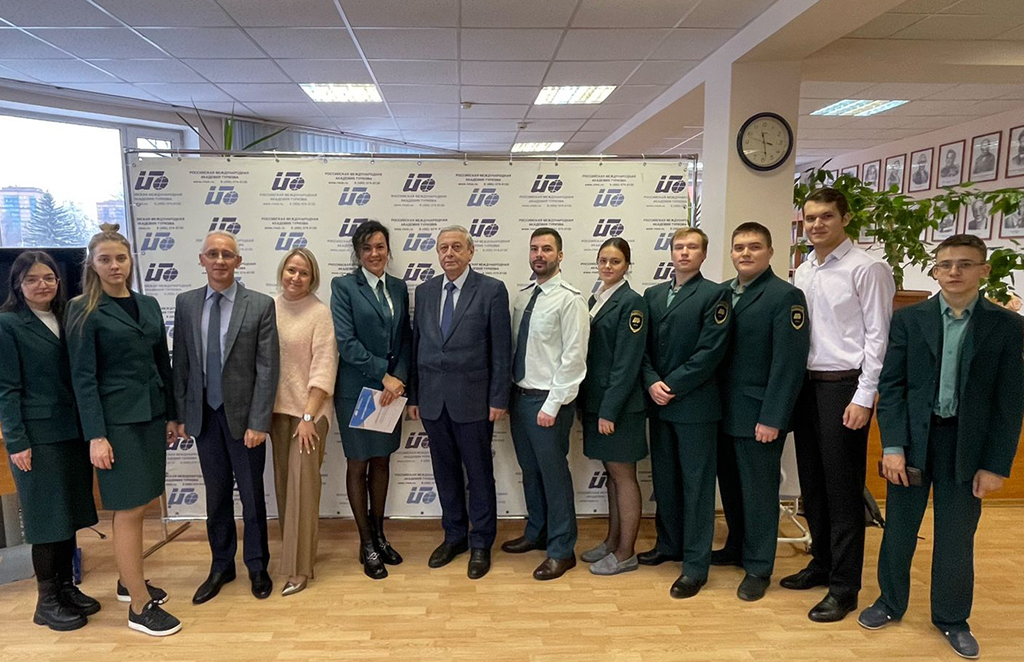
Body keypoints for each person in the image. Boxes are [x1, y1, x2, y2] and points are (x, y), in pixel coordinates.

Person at [858, 234, 1024, 659]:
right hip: (914, 440)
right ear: (934, 270)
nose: (954, 272)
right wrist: (892, 446)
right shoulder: (909, 320)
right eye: (945, 264)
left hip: (966, 445)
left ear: (983, 270)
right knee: (899, 530)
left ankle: (952, 617)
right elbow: (892, 387)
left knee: (956, 537)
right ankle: (889, 602)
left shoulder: (1007, 326)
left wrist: (995, 464)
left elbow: (1009, 402)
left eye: (965, 264)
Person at [785, 188, 896, 623]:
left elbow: (878, 337)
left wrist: (864, 396)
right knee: (812, 484)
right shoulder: (805, 268)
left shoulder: (867, 268)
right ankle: (822, 564)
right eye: (810, 218)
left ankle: (845, 587)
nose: (816, 225)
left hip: (844, 387)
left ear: (845, 218)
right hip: (807, 387)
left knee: (843, 490)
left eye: (826, 216)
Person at [66, 224, 181, 636]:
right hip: (115, 425)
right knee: (128, 509)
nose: (114, 265)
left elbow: (161, 364)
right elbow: (83, 378)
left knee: (142, 501)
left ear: (131, 261)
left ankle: (127, 580)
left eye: (121, 258)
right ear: (92, 264)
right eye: (105, 259)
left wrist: (171, 414)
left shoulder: (147, 304)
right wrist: (96, 435)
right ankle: (138, 606)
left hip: (150, 417)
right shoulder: (82, 308)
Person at [172, 230, 279, 604]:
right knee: (216, 496)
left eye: (227, 254)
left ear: (238, 261)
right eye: (213, 254)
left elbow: (268, 368)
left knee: (252, 497)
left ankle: (257, 565)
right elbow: (182, 362)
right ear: (201, 259)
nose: (220, 260)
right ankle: (221, 565)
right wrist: (180, 414)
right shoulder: (186, 303)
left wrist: (259, 421)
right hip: (204, 417)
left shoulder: (260, 305)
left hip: (244, 420)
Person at [0, 251, 99, 631]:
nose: (42, 285)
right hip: (37, 438)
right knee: (46, 521)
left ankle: (66, 587)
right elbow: (7, 389)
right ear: (18, 284)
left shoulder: (65, 317)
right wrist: (16, 441)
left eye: (49, 278)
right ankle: (47, 600)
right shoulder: (8, 325)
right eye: (32, 279)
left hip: (71, 432)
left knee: (68, 515)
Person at [712, 223, 810, 601]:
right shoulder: (722, 292)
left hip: (758, 415)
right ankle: (736, 546)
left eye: (754, 247)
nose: (746, 253)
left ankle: (758, 566)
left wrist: (773, 418)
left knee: (758, 493)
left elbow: (789, 364)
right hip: (721, 411)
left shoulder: (785, 296)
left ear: (770, 252)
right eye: (739, 247)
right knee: (731, 488)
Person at [408, 225, 512, 580]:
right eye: (443, 248)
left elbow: (501, 350)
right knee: (445, 473)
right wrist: (415, 395)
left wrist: (498, 397)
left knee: (479, 475)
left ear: (471, 252)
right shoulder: (425, 291)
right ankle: (454, 536)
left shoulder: (491, 290)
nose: (449, 253)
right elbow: (418, 345)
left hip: (474, 401)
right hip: (433, 401)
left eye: (456, 247)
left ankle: (481, 541)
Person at [639, 226, 732, 600]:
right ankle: (669, 544)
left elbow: (711, 352)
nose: (684, 252)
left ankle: (695, 566)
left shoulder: (715, 294)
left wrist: (671, 385)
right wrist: (651, 382)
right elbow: (642, 348)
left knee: (696, 488)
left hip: (694, 405)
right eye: (679, 247)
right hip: (658, 404)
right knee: (665, 480)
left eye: (692, 247)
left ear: (703, 254)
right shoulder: (653, 295)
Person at [502, 227, 589, 581]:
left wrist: (552, 405)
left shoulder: (570, 300)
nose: (539, 255)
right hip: (520, 397)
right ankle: (537, 531)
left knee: (554, 477)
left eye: (547, 249)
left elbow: (574, 358)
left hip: (548, 401)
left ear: (560, 255)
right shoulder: (523, 297)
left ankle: (562, 550)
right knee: (530, 471)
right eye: (535, 249)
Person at [331, 220, 412, 580]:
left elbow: (406, 337)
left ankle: (380, 536)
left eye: (380, 247)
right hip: (357, 391)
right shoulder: (344, 287)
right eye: (367, 248)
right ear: (357, 253)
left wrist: (400, 380)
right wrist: (384, 375)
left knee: (382, 461)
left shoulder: (398, 287)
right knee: (358, 464)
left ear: (388, 250)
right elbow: (346, 342)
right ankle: (366, 544)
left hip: (391, 393)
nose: (374, 254)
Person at [269, 247, 338, 596]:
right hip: (276, 414)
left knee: (303, 490)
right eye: (291, 270)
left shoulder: (319, 313)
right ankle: (292, 554)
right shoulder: (268, 308)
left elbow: (324, 368)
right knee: (284, 488)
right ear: (282, 271)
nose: (296, 277)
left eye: (304, 273)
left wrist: (309, 416)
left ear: (313, 279)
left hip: (309, 415)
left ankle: (299, 569)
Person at [577, 237, 648, 576]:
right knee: (612, 476)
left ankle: (625, 553)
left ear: (627, 265)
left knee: (624, 476)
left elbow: (626, 363)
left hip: (620, 408)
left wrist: (609, 410)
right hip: (598, 401)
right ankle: (611, 542)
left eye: (615, 261)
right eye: (603, 260)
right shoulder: (597, 298)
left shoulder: (632, 303)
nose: (607, 266)